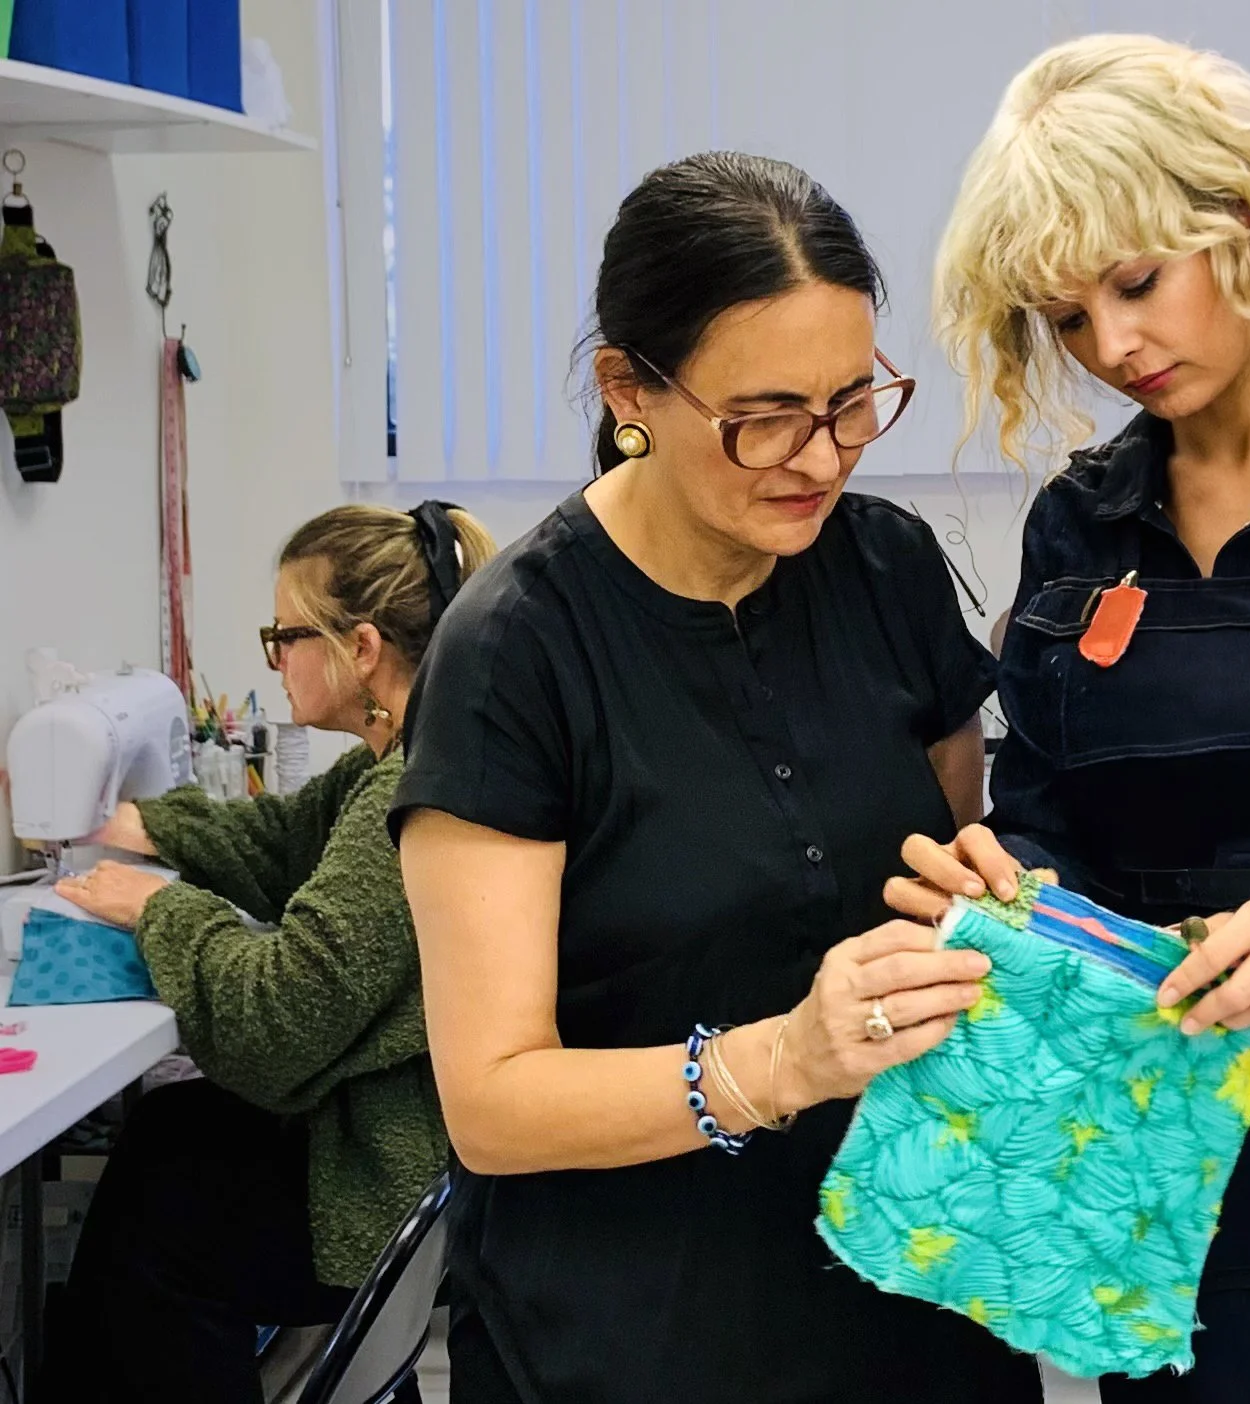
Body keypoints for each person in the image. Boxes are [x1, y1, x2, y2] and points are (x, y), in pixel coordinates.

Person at [392, 152, 1040, 1403]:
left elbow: (958, 875)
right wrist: (782, 1061)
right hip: (638, 1335)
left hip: (912, 1293)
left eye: (856, 400)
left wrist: (996, 913)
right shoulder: (515, 653)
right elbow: (494, 1103)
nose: (822, 456)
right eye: (767, 415)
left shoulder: (883, 568)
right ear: (628, 389)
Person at [894, 33, 1250, 1402]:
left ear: (1244, 218)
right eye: (1066, 318)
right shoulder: (1084, 520)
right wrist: (1011, 892)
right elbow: (1052, 819)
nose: (1110, 347)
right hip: (1179, 1171)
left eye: (1134, 284)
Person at [36, 501, 495, 1404]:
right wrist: (135, 822)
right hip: (403, 1152)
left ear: (360, 649)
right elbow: (290, 839)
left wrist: (161, 909)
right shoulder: (395, 760)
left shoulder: (413, 793)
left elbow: (278, 1019)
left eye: (284, 635)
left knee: (154, 1230)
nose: (275, 658)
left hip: (379, 1183)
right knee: (169, 1133)